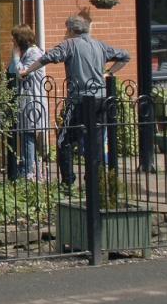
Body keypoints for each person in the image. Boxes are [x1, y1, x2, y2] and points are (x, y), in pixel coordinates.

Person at [18, 14, 129, 188]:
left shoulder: (69, 44)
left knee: (64, 141)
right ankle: (95, 182)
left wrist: (27, 71)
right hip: (100, 100)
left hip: (78, 101)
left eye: (66, 29)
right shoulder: (100, 45)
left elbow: (47, 58)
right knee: (96, 142)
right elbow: (125, 56)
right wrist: (109, 73)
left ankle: (68, 181)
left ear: (70, 29)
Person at [7, 25, 49, 180]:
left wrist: (17, 56)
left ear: (21, 39)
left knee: (29, 135)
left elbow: (21, 74)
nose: (12, 40)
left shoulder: (34, 53)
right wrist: (16, 56)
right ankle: (27, 168)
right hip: (24, 100)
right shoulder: (24, 53)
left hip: (33, 101)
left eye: (14, 38)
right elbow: (11, 70)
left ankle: (29, 173)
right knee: (25, 134)